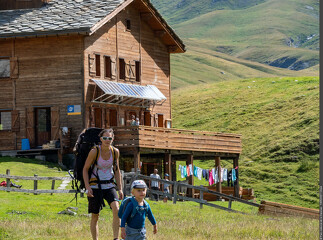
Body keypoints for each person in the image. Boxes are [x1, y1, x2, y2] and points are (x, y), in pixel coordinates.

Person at [83, 128, 124, 240]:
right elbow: (85, 169)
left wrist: (120, 189)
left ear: (113, 139)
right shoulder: (94, 151)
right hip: (95, 185)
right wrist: (87, 187)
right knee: (95, 215)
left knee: (116, 208)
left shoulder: (115, 152)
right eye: (105, 138)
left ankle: (116, 238)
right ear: (100, 139)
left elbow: (117, 170)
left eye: (109, 138)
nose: (107, 140)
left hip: (109, 185)